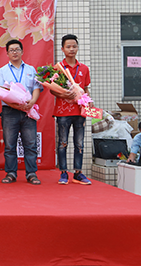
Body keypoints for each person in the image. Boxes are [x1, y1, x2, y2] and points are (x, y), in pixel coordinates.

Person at [0, 39, 42, 185]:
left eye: (17, 49)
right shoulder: (2, 71)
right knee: (10, 145)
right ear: (7, 53)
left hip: (28, 110)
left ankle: (31, 173)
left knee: (31, 144)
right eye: (11, 50)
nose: (14, 52)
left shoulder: (31, 70)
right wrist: (16, 106)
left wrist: (32, 102)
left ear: (22, 51)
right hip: (10, 111)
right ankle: (11, 173)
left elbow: (36, 87)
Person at [52, 34, 92, 185]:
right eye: (68, 46)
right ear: (62, 49)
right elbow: (52, 90)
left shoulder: (84, 68)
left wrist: (89, 102)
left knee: (79, 143)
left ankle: (78, 173)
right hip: (63, 112)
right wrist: (64, 94)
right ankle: (63, 172)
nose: (71, 49)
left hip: (80, 111)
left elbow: (86, 88)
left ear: (78, 48)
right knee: (63, 143)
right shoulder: (58, 68)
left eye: (74, 46)